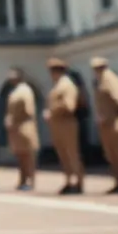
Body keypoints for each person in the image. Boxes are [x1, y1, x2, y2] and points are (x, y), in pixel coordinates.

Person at [91, 57, 118, 195]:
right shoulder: (100, 81)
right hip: (107, 124)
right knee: (112, 155)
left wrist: (109, 115)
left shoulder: (110, 79)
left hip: (115, 121)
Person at [43, 58, 83, 194]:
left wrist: (52, 110)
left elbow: (69, 105)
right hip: (58, 124)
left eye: (53, 71)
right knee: (63, 155)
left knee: (71, 154)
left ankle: (78, 182)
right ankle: (69, 180)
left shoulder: (67, 85)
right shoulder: (57, 85)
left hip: (66, 123)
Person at [4, 67, 38, 191]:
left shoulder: (25, 90)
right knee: (20, 156)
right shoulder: (15, 91)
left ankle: (30, 181)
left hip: (25, 127)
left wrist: (15, 119)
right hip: (16, 129)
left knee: (28, 156)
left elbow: (29, 111)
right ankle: (23, 179)